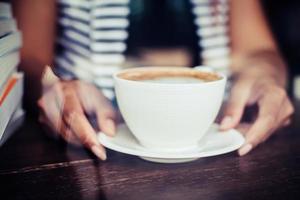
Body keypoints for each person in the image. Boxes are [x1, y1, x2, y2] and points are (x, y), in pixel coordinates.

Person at [12, 0, 294, 160]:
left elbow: (257, 50)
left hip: (221, 132)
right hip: (87, 140)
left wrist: (265, 76)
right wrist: (52, 85)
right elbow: (28, 54)